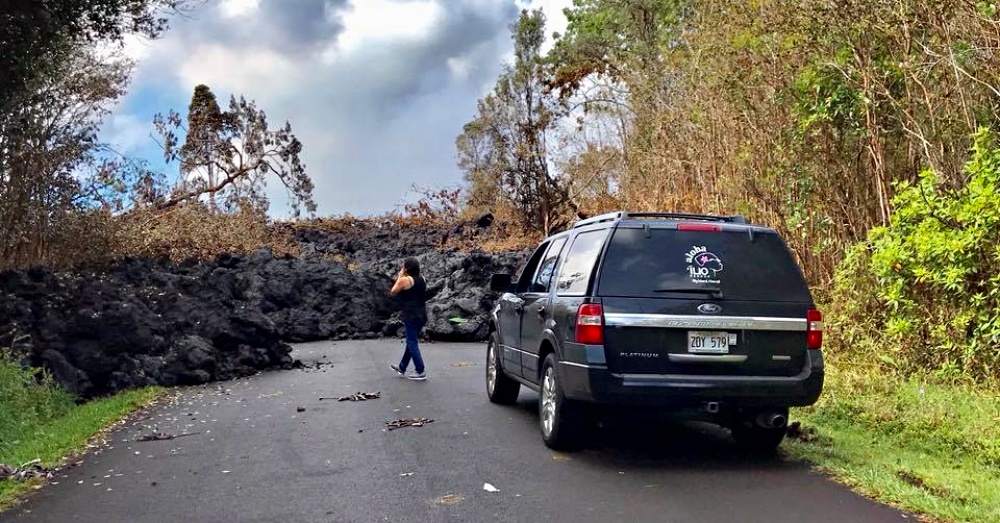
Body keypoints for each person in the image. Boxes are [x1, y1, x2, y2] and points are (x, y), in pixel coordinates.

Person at [389, 257, 428, 381]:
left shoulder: (405, 280)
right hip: (422, 314)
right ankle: (402, 367)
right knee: (411, 342)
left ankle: (420, 370)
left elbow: (393, 292)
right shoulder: (423, 279)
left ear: (406, 268)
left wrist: (400, 275)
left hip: (411, 315)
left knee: (412, 342)